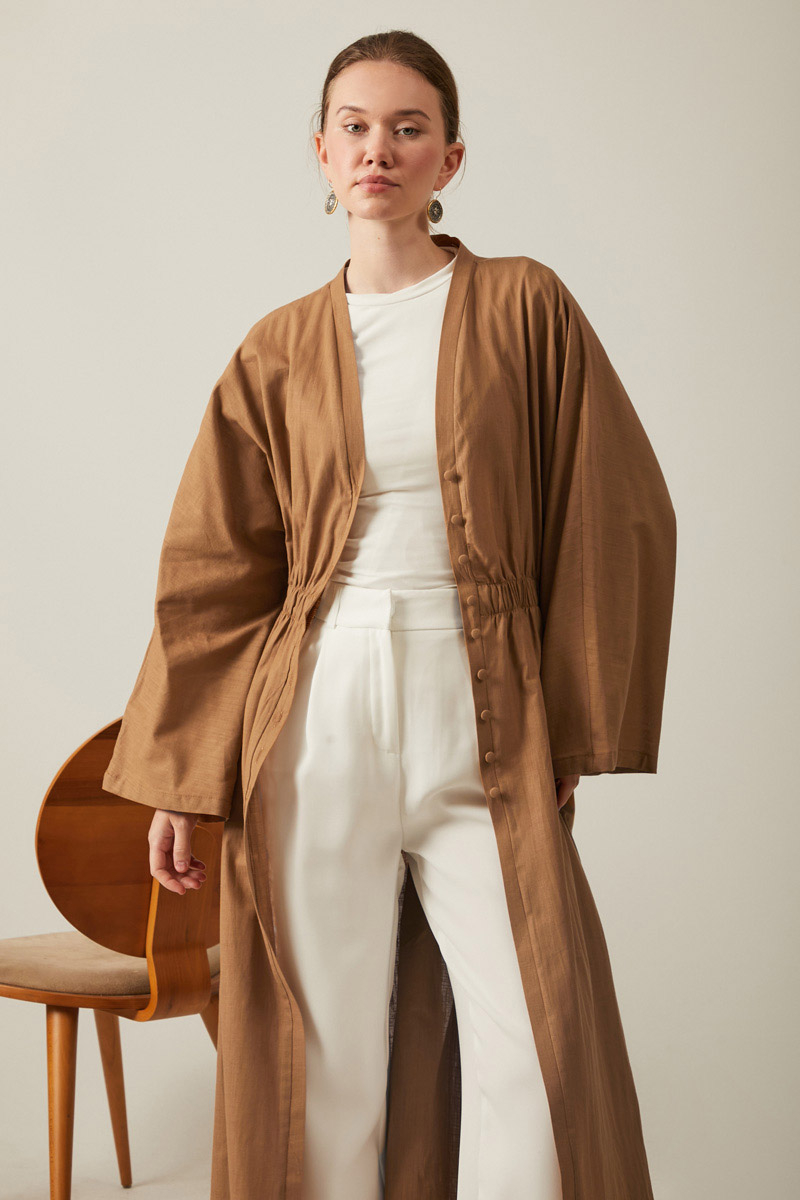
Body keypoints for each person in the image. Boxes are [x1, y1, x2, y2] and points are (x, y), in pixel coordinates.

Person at [103, 30, 676, 1200]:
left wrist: (571, 725)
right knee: (319, 1051)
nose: (379, 149)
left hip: (484, 701)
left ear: (448, 158)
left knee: (536, 1041)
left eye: (408, 128)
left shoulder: (523, 303)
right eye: (355, 127)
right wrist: (182, 775)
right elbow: (215, 570)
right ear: (321, 153)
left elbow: (613, 506)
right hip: (317, 709)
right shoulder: (275, 348)